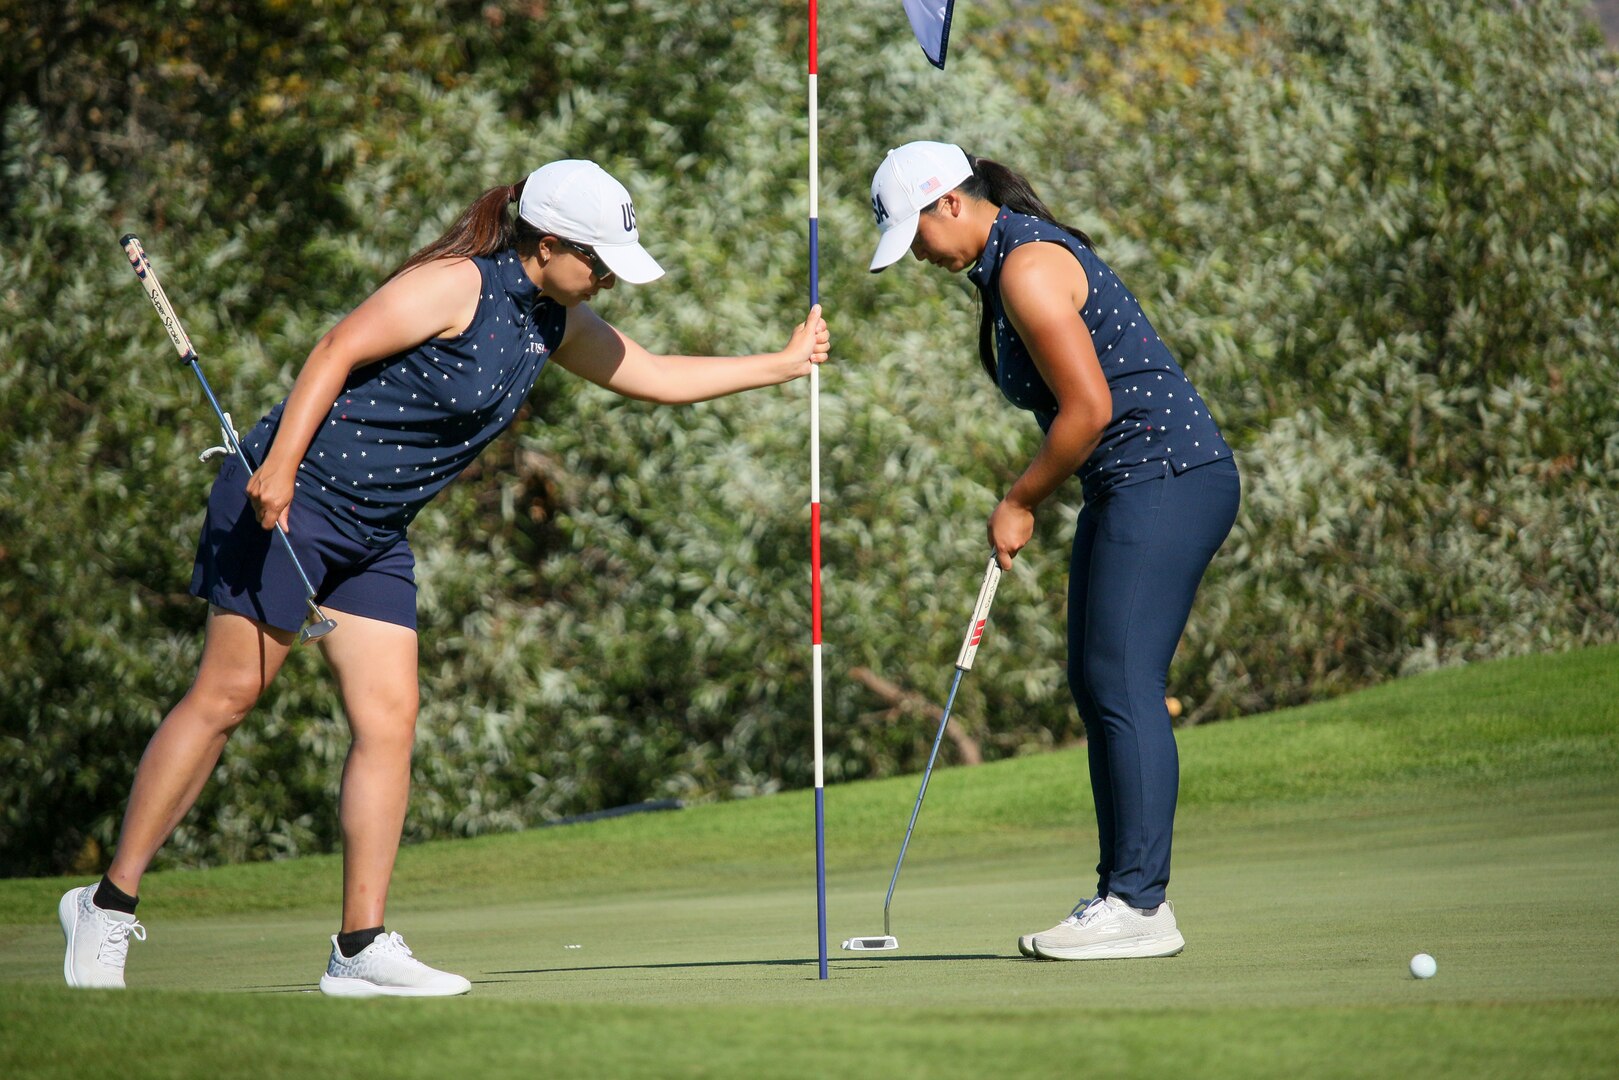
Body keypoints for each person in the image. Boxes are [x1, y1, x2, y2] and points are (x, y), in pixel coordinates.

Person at [60, 159, 830, 996]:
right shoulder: (455, 285)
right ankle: (106, 906)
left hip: (373, 534)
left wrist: (780, 364)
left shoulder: (552, 320)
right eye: (599, 263)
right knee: (227, 700)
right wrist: (278, 464)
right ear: (547, 244)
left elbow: (657, 376)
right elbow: (336, 348)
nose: (607, 279)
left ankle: (358, 948)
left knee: (390, 722)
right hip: (295, 503)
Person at [867, 141, 1238, 961]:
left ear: (951, 204)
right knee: (1099, 680)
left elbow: (1089, 408)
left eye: (918, 234)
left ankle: (1141, 906)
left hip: (1167, 474)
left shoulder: (1027, 267)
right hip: (1132, 483)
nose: (921, 256)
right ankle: (1123, 895)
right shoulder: (1005, 265)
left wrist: (1019, 499)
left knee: (1122, 680)